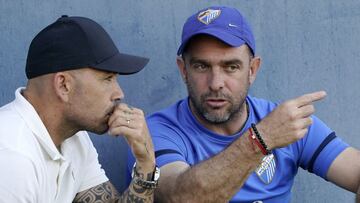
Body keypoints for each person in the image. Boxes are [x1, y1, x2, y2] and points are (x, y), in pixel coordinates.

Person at [126, 6, 360, 202]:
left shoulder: (284, 123)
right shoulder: (155, 132)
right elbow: (180, 196)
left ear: (253, 70)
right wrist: (261, 139)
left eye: (231, 67)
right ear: (183, 70)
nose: (216, 83)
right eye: (201, 66)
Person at [0, 15, 160, 203]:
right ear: (63, 85)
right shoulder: (11, 155)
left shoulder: (74, 139)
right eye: (107, 79)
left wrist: (146, 163)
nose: (119, 94)